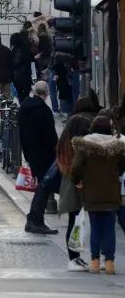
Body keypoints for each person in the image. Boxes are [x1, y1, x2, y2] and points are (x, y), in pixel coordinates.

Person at [70, 115, 125, 275]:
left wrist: (78, 180)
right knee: (109, 229)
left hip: (92, 192)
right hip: (111, 192)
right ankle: (109, 263)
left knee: (95, 229)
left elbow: (76, 167)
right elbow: (123, 166)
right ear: (109, 129)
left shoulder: (85, 145)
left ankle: (94, 263)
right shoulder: (117, 146)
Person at [19, 81, 60, 235]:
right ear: (47, 94)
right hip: (45, 155)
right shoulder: (44, 111)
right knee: (44, 188)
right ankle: (35, 220)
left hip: (31, 153)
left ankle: (33, 218)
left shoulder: (24, 107)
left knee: (42, 187)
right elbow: (51, 136)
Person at [56, 114, 92, 271]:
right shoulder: (77, 146)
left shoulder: (64, 143)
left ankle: (75, 257)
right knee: (75, 221)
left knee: (74, 220)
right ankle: (73, 258)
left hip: (68, 186)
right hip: (75, 186)